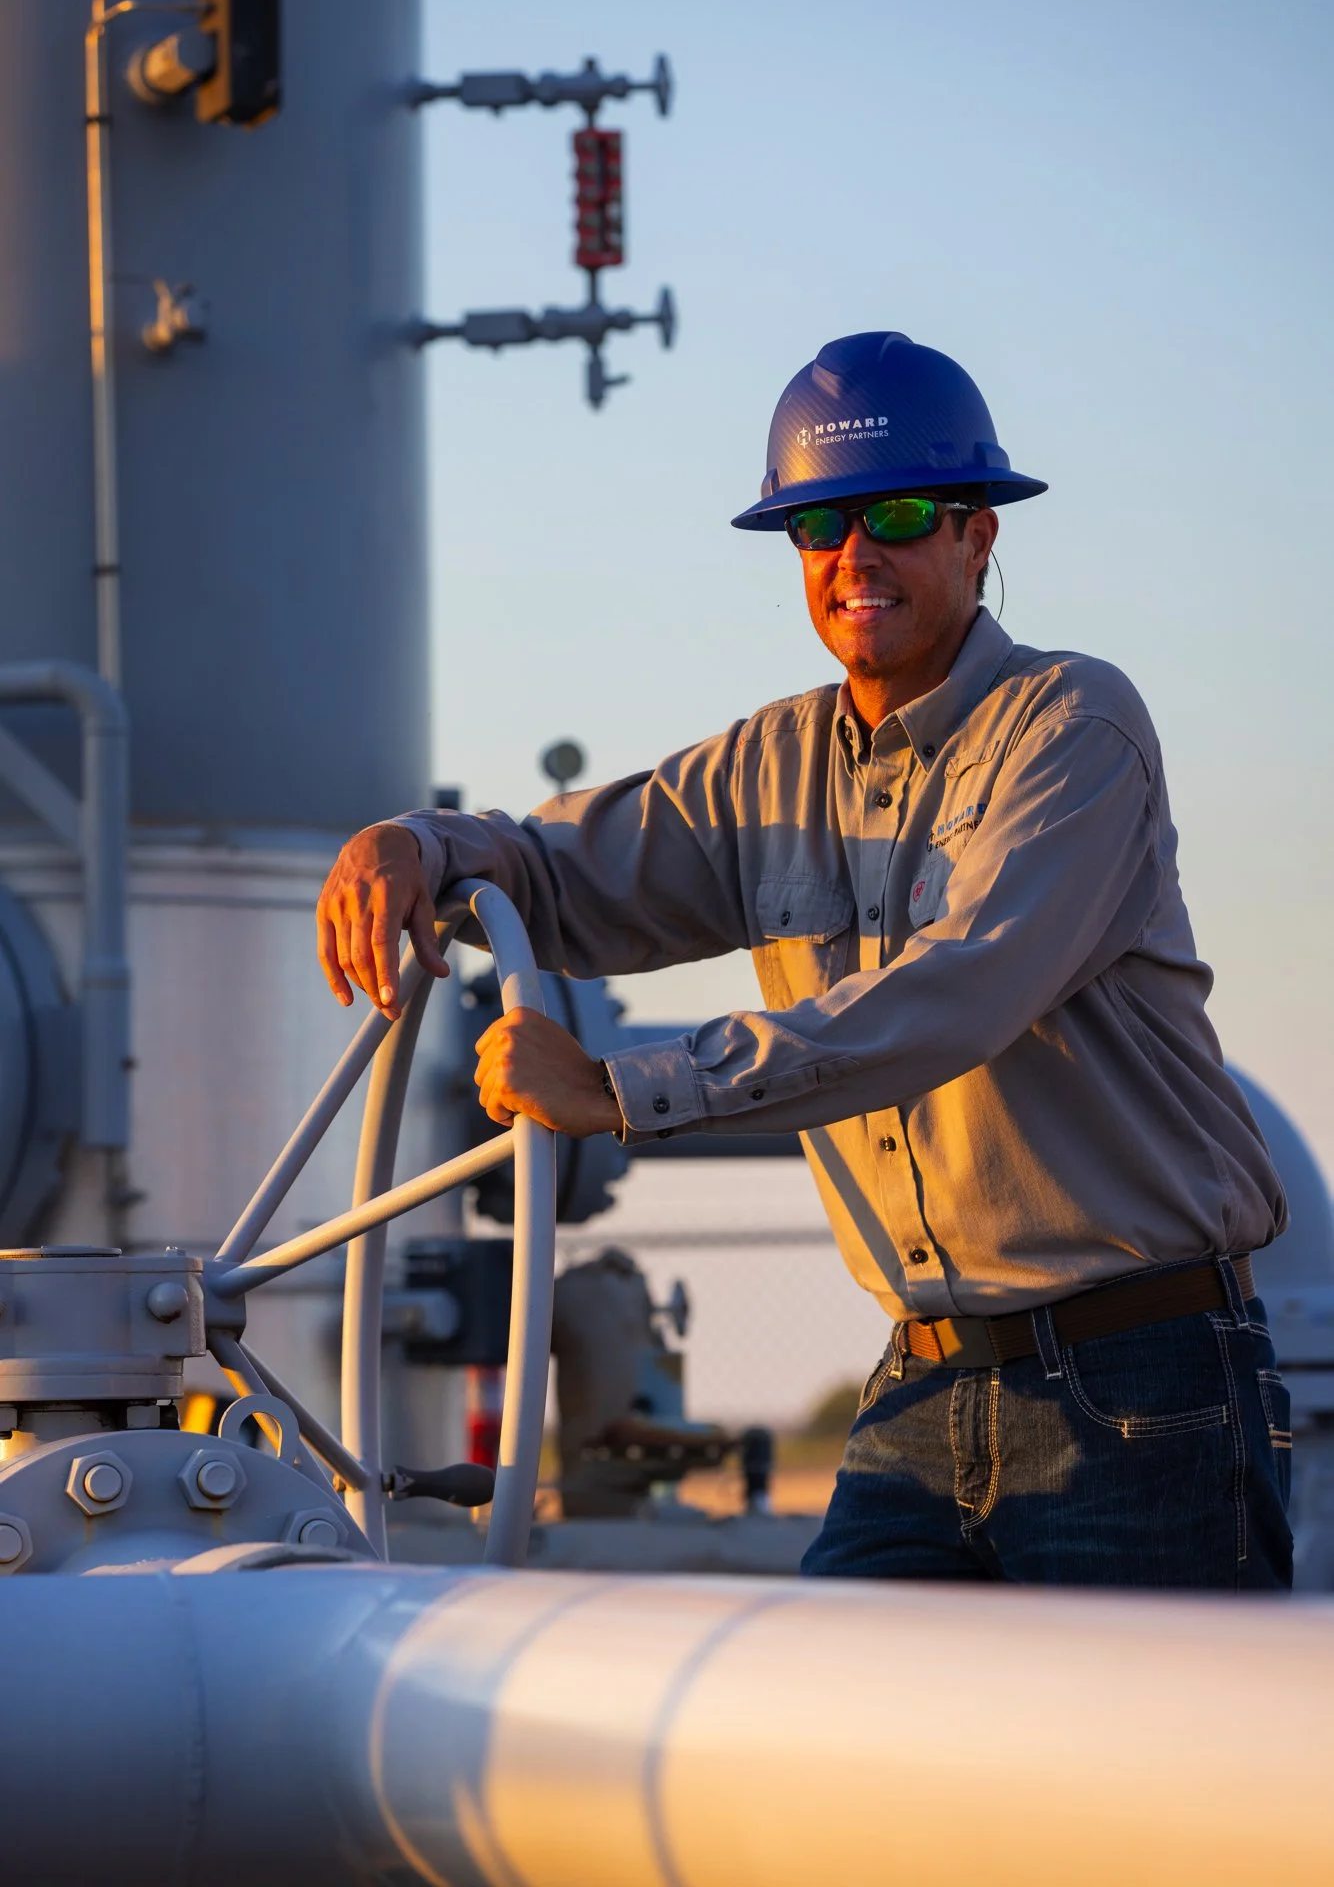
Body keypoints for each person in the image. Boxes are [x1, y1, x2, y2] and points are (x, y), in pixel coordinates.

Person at [317, 331, 1292, 1589]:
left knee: (1143, 1779)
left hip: (1138, 1379)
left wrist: (619, 1091)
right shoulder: (767, 769)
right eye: (817, 525)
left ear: (974, 537)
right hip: (921, 1374)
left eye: (891, 513)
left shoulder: (1072, 727)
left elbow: (951, 992)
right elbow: (563, 870)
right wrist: (411, 844)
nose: (853, 555)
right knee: (828, 1765)